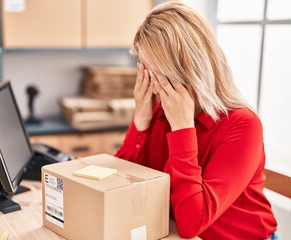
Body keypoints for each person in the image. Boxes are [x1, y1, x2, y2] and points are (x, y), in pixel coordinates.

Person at [115, 1, 277, 239]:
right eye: (143, 69)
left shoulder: (244, 125)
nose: (151, 83)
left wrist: (182, 129)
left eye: (156, 72)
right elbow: (122, 185)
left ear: (186, 70)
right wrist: (141, 118)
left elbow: (191, 223)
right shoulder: (159, 109)